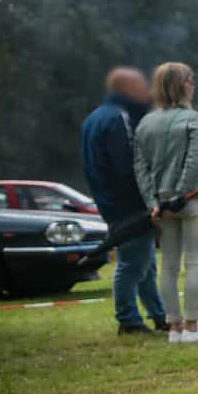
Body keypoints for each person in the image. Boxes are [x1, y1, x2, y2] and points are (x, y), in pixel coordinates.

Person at [79, 67, 168, 336]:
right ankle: (128, 320)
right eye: (140, 85)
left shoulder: (93, 118)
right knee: (132, 266)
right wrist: (152, 200)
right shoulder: (120, 118)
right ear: (126, 89)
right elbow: (129, 164)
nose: (146, 91)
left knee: (144, 265)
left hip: (111, 204)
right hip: (130, 204)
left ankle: (158, 316)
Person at [133, 62, 198, 344]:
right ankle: (191, 326)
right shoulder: (194, 119)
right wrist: (180, 195)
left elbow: (140, 168)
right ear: (182, 85)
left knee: (167, 266)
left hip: (162, 204)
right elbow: (195, 160)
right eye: (190, 80)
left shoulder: (145, 123)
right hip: (194, 199)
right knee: (195, 263)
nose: (193, 84)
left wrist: (153, 201)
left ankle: (174, 328)